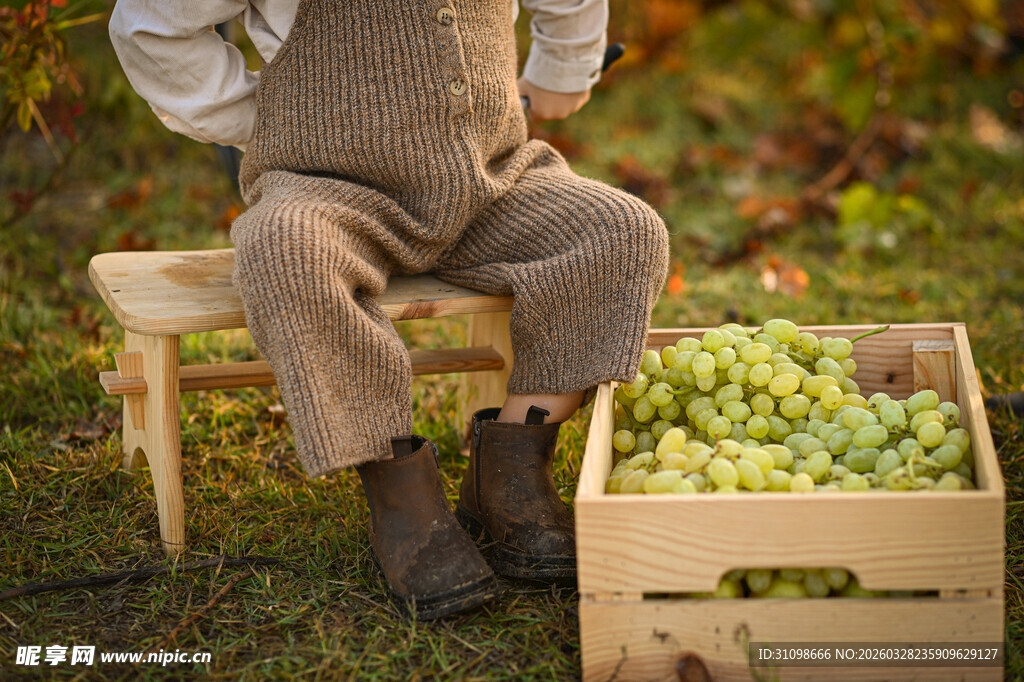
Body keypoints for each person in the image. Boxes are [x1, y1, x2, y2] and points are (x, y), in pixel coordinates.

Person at [109, 0, 669, 619]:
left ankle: (513, 469)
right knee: (287, 252)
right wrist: (257, 116)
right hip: (326, 184)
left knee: (622, 231)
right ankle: (400, 491)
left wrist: (561, 71)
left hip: (491, 178)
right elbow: (152, 26)